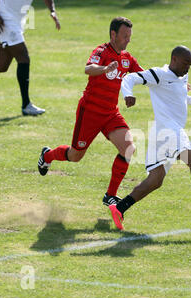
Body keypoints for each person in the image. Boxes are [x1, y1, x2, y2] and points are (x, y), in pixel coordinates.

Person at [108, 45, 191, 230]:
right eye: (186, 63)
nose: (188, 68)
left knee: (156, 180)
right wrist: (128, 94)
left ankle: (119, 208)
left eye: (190, 65)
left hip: (161, 133)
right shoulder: (159, 74)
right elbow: (130, 78)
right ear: (174, 59)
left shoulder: (181, 75)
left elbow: (179, 93)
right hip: (169, 130)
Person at [37, 17, 143, 206]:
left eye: (130, 36)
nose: (128, 40)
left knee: (128, 148)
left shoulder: (127, 59)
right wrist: (105, 68)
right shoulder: (102, 51)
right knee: (75, 156)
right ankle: (47, 155)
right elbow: (88, 68)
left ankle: (110, 195)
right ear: (113, 34)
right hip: (90, 112)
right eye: (125, 36)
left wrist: (174, 83)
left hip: (111, 113)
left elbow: (145, 75)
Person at [0, 0, 61, 116]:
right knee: (23, 58)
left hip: (17, 22)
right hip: (4, 21)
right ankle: (26, 105)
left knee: (1, 66)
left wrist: (52, 11)